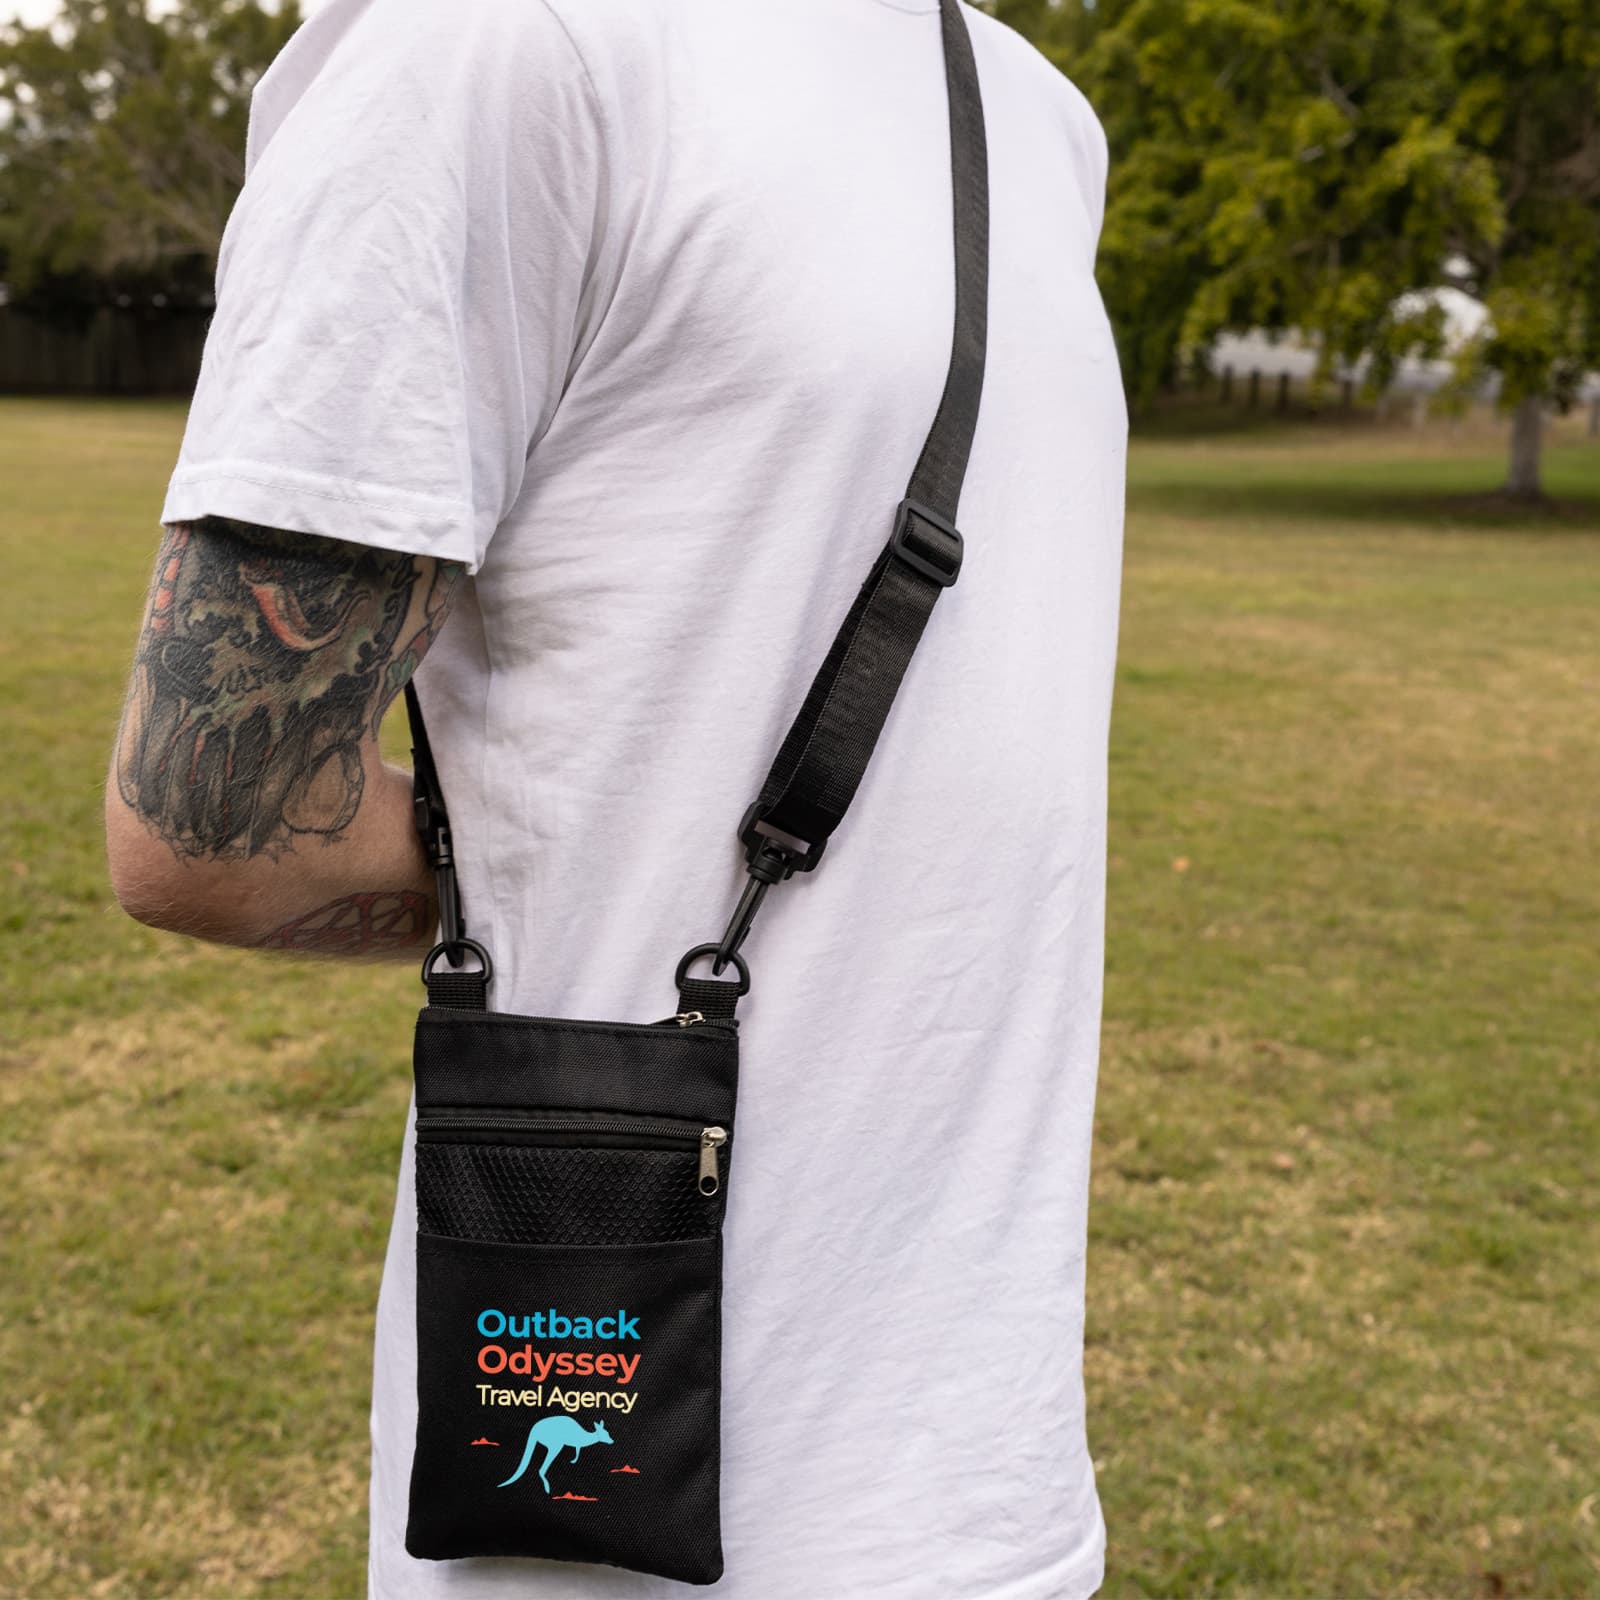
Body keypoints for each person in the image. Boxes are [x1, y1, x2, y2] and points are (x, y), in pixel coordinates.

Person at [105, 0, 1127, 1594]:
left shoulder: (1037, 111)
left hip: (993, 1499)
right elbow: (206, 830)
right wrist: (580, 856)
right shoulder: (493, 49)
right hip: (593, 1533)